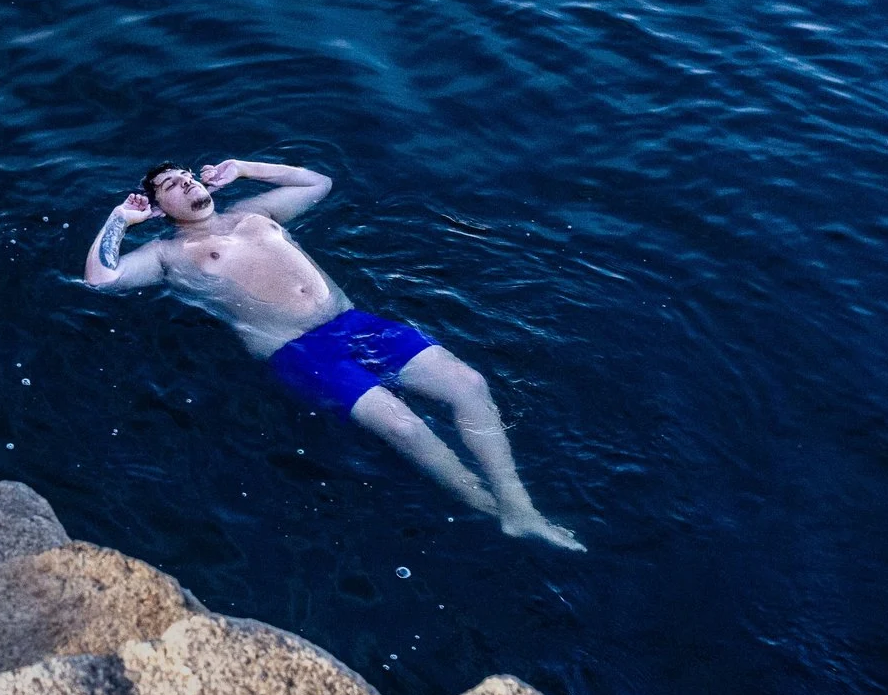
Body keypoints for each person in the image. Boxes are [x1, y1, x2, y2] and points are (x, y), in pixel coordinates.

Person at [84, 159, 580, 549]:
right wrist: (119, 220)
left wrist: (245, 168)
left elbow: (316, 184)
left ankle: (520, 505)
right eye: (172, 185)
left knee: (468, 385)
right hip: (296, 350)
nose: (189, 184)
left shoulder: (255, 213)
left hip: (353, 324)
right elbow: (102, 279)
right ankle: (494, 510)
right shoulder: (168, 255)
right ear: (159, 208)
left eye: (189, 176)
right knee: (402, 425)